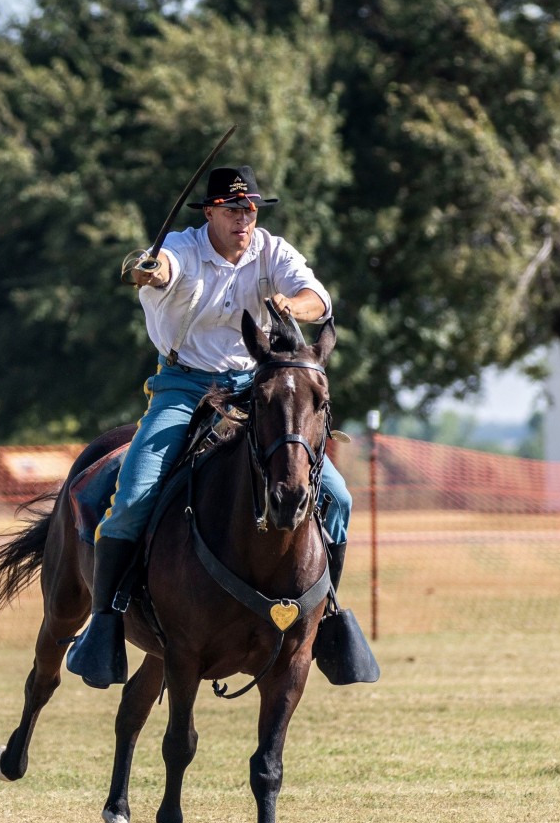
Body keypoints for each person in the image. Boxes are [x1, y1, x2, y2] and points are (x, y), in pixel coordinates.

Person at [67, 165, 353, 689]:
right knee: (132, 497)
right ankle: (105, 624)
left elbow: (319, 300)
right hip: (184, 387)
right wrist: (148, 272)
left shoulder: (272, 251)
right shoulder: (183, 248)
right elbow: (160, 268)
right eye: (233, 210)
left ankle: (328, 614)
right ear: (211, 214)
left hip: (256, 388)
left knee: (339, 497)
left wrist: (290, 304)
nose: (244, 219)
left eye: (250, 210)